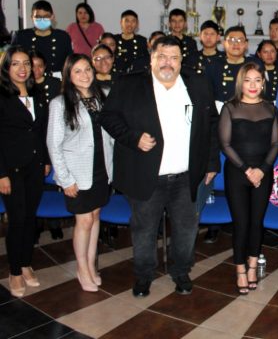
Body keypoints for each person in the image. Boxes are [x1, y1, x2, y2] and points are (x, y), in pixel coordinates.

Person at [100, 36, 220, 298]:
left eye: (174, 57)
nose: (168, 63)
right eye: (162, 57)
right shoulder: (129, 83)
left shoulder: (196, 83)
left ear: (181, 60)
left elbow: (211, 123)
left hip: (186, 176)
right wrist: (133, 138)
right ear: (151, 58)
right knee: (144, 230)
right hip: (146, 175)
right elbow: (107, 116)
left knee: (186, 229)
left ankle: (181, 272)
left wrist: (211, 162)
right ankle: (143, 276)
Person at [46, 54, 112, 292]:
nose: (84, 75)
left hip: (101, 168)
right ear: (68, 76)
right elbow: (54, 144)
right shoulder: (60, 103)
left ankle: (92, 265)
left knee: (95, 218)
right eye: (77, 71)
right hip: (77, 173)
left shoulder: (101, 97)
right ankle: (82, 268)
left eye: (87, 70)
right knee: (83, 220)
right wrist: (65, 179)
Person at [219, 62, 278, 295]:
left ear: (263, 82)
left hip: (264, 173)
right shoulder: (230, 108)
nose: (253, 85)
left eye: (257, 80)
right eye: (248, 80)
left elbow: (275, 143)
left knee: (257, 223)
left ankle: (253, 265)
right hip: (237, 173)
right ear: (240, 83)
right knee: (241, 224)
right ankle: (240, 269)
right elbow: (225, 144)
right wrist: (247, 169)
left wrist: (262, 169)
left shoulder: (271, 109)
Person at [0, 46, 51, 297]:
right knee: (17, 218)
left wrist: (46, 160)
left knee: (31, 217)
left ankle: (26, 262)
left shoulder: (36, 92)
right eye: (16, 64)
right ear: (6, 67)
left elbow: (41, 131)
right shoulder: (2, 95)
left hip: (35, 165)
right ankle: (15, 270)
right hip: (10, 168)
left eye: (26, 64)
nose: (22, 69)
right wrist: (1, 174)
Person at [11, 0, 73, 75]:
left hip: (55, 81)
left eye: (46, 16)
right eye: (38, 17)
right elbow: (12, 62)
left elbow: (70, 63)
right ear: (32, 17)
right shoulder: (21, 36)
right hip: (29, 79)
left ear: (52, 17)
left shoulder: (62, 37)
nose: (42, 20)